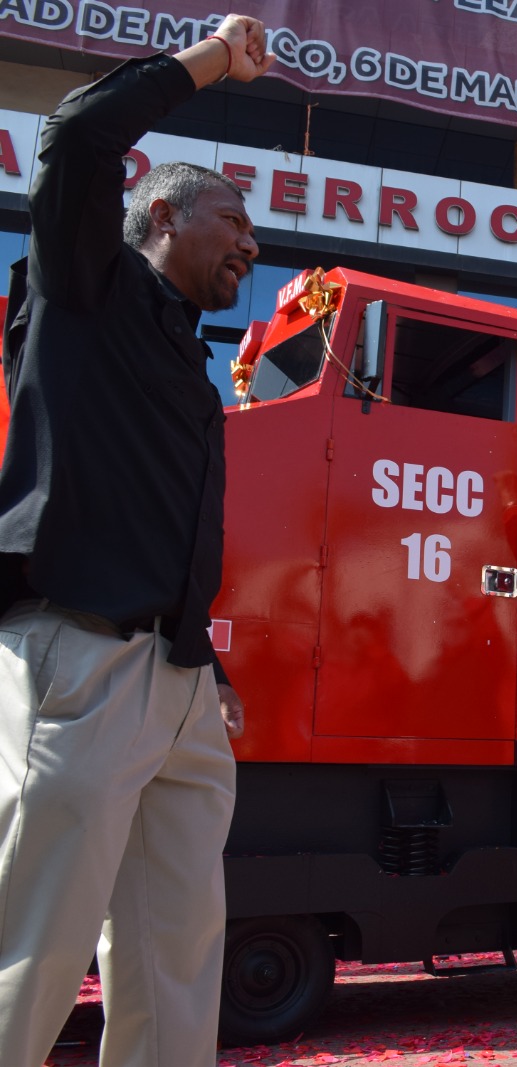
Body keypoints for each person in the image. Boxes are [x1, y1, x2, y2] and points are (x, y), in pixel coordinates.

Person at [0, 20, 272, 1067]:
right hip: (80, 658)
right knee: (31, 944)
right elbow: (73, 139)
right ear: (160, 212)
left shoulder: (189, 369)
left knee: (172, 953)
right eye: (233, 220)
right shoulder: (85, 293)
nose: (251, 245)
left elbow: (160, 523)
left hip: (176, 683)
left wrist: (203, 659)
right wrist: (206, 61)